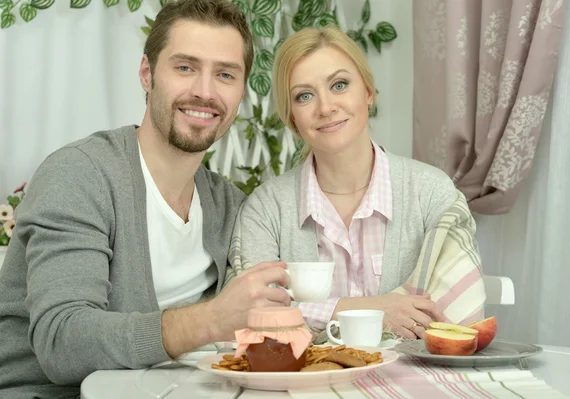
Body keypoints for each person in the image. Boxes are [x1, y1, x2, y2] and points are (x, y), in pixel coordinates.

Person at [0, 1, 291, 398]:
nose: (205, 92)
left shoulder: (228, 205)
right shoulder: (81, 174)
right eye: (185, 67)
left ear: (241, 91)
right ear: (147, 73)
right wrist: (210, 320)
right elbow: (62, 342)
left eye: (225, 74)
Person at [228, 26, 486, 341]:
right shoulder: (266, 209)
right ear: (292, 117)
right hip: (306, 387)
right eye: (304, 95)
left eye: (339, 85)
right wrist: (375, 310)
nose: (325, 107)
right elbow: (250, 317)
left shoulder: (433, 194)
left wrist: (306, 314)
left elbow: (455, 328)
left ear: (367, 92)